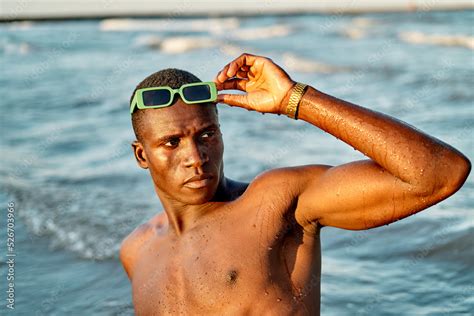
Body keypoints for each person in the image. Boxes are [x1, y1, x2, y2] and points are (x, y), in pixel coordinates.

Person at [119, 53, 470, 315]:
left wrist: (294, 100)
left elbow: (438, 174)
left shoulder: (275, 201)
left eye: (207, 135)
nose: (195, 156)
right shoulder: (136, 251)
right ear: (141, 155)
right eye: (171, 143)